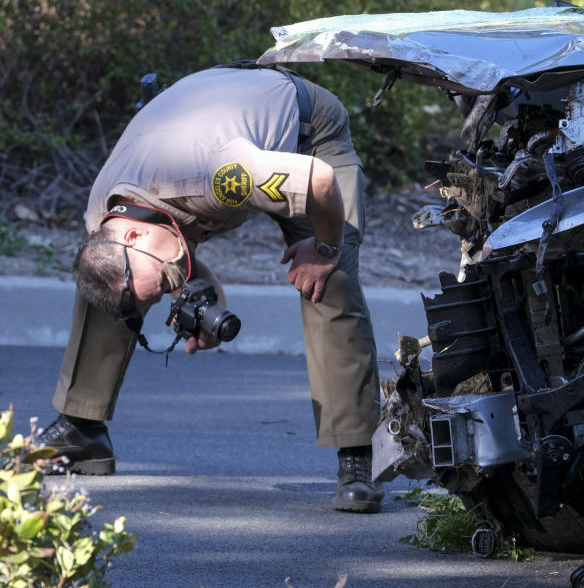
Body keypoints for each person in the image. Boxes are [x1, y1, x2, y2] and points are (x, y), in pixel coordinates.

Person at [35, 64, 385, 514]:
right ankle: (81, 427)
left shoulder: (225, 174)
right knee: (106, 280)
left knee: (327, 279)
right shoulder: (104, 222)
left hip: (305, 131)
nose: (167, 293)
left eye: (164, 286)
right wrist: (201, 294)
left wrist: (323, 246)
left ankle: (356, 454)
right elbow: (158, 255)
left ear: (137, 237)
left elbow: (319, 181)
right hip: (206, 130)